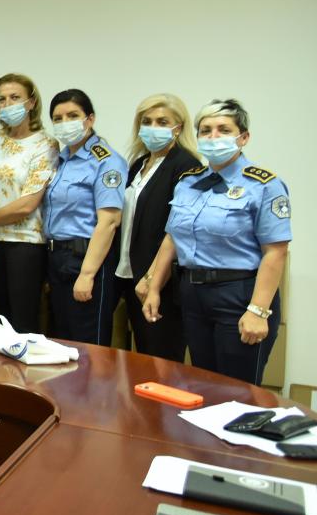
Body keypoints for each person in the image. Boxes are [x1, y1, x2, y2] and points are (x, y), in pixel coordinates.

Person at [141, 99, 290, 386]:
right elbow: (172, 238)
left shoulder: (264, 185)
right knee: (204, 384)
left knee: (238, 390)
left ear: (243, 137)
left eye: (224, 130)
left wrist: (258, 311)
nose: (213, 137)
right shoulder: (188, 182)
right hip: (193, 294)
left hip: (239, 294)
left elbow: (275, 251)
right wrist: (154, 287)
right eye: (206, 130)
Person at [114, 94, 200, 361]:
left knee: (162, 359)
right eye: (147, 121)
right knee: (141, 357)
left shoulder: (186, 166)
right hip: (130, 274)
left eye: (162, 122)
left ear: (178, 127)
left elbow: (177, 229)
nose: (153, 127)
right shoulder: (139, 164)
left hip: (161, 281)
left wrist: (152, 279)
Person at [43, 89, 126, 345]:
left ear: (90, 119)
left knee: (88, 344)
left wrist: (87, 274)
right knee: (62, 342)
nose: (64, 123)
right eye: (58, 118)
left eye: (72, 115)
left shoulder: (106, 161)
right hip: (57, 258)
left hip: (86, 258)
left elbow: (109, 222)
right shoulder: (61, 159)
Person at [0, 73, 59, 334]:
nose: (7, 104)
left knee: (23, 323)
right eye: (1, 100)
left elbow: (27, 204)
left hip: (26, 244)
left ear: (31, 102)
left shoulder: (45, 144)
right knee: (1, 321)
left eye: (15, 97)